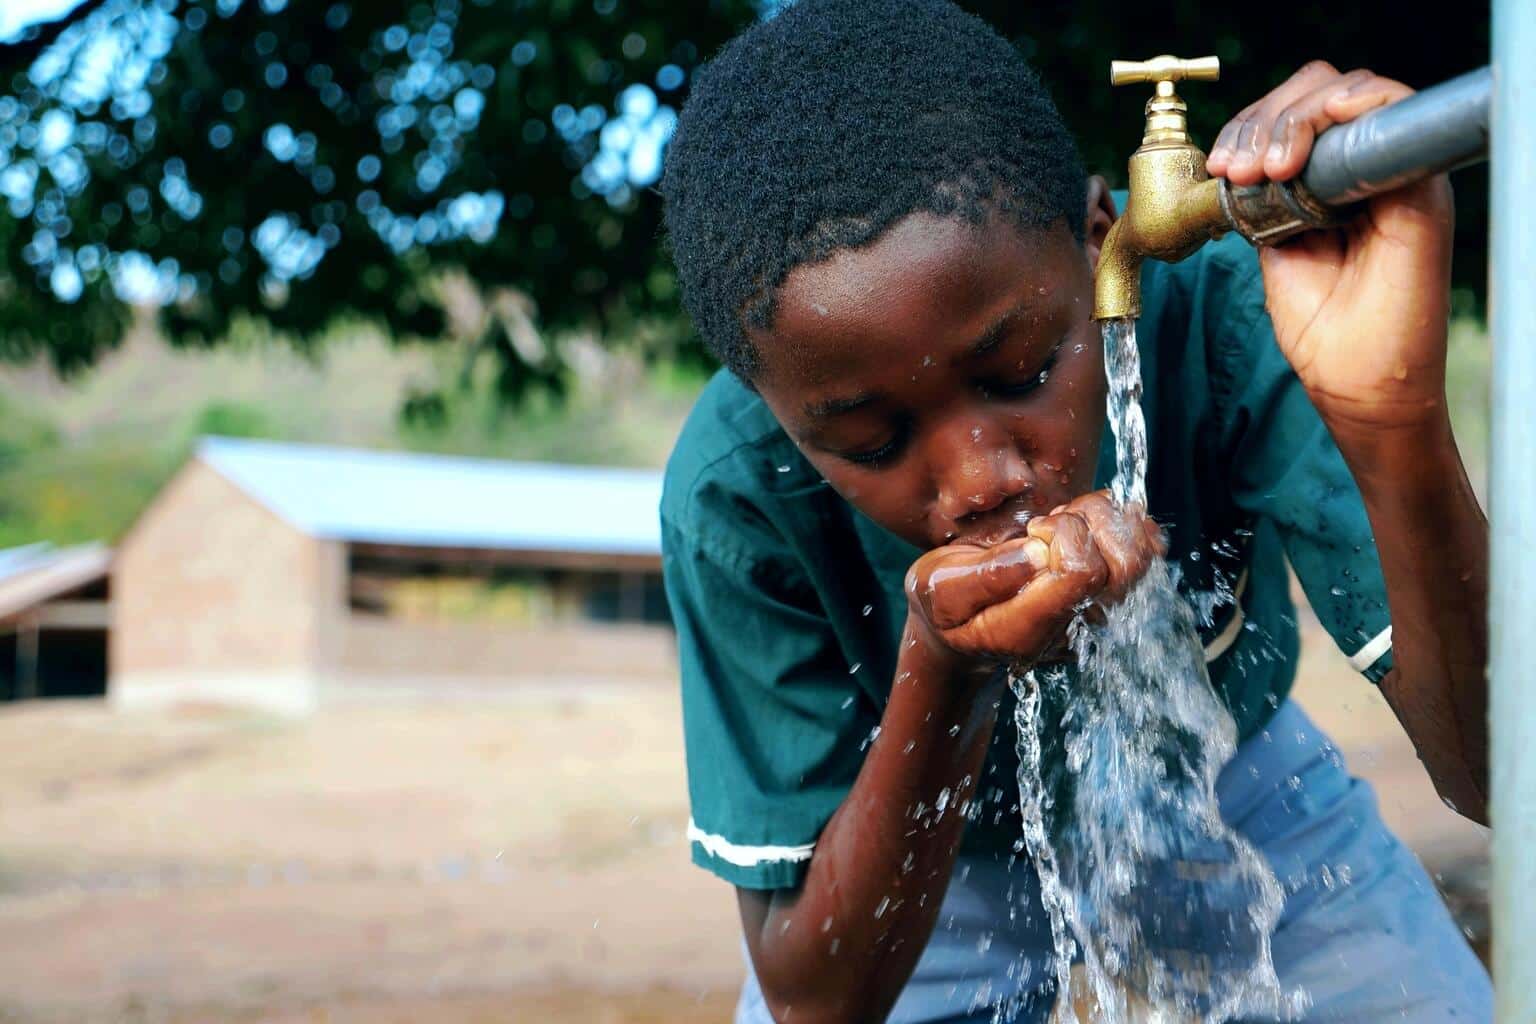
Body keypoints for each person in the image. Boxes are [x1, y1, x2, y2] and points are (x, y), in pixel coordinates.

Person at [657, 1, 1492, 1019]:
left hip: (1235, 775)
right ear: (777, 413)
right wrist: (946, 661)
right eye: (873, 443)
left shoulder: (1235, 310)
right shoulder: (735, 493)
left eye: (1020, 370)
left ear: (1103, 243)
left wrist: (1393, 418)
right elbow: (814, 997)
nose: (979, 482)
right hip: (927, 862)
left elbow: (1503, 780)